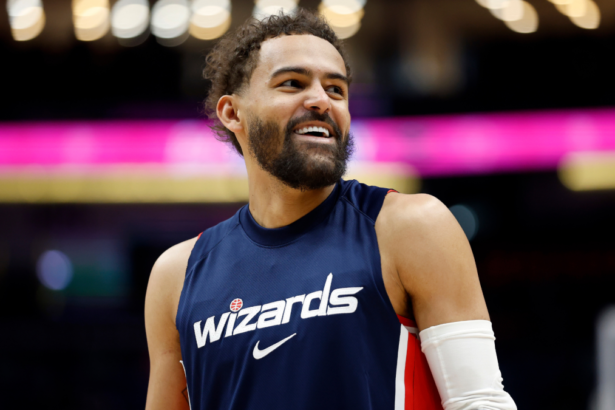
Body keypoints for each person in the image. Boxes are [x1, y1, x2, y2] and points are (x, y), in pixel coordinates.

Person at [144, 9, 517, 410]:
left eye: (336, 89)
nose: (322, 100)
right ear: (233, 113)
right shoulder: (177, 275)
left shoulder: (410, 226)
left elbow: (480, 401)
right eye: (292, 83)